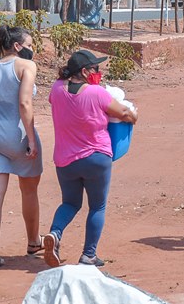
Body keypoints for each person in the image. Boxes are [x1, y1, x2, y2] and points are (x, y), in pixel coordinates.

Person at [42, 50, 138, 268]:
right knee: (97, 206)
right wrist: (135, 116)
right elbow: (124, 113)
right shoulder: (97, 93)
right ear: (84, 72)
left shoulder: (56, 89)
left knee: (70, 202)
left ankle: (55, 235)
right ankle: (88, 255)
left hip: (65, 160)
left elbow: (59, 99)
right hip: (96, 157)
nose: (99, 72)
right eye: (95, 69)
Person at [0, 25, 43, 269]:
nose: (32, 50)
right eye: (29, 45)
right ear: (18, 46)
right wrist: (30, 139)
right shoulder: (27, 66)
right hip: (16, 133)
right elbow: (25, 103)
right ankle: (32, 241)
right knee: (29, 190)